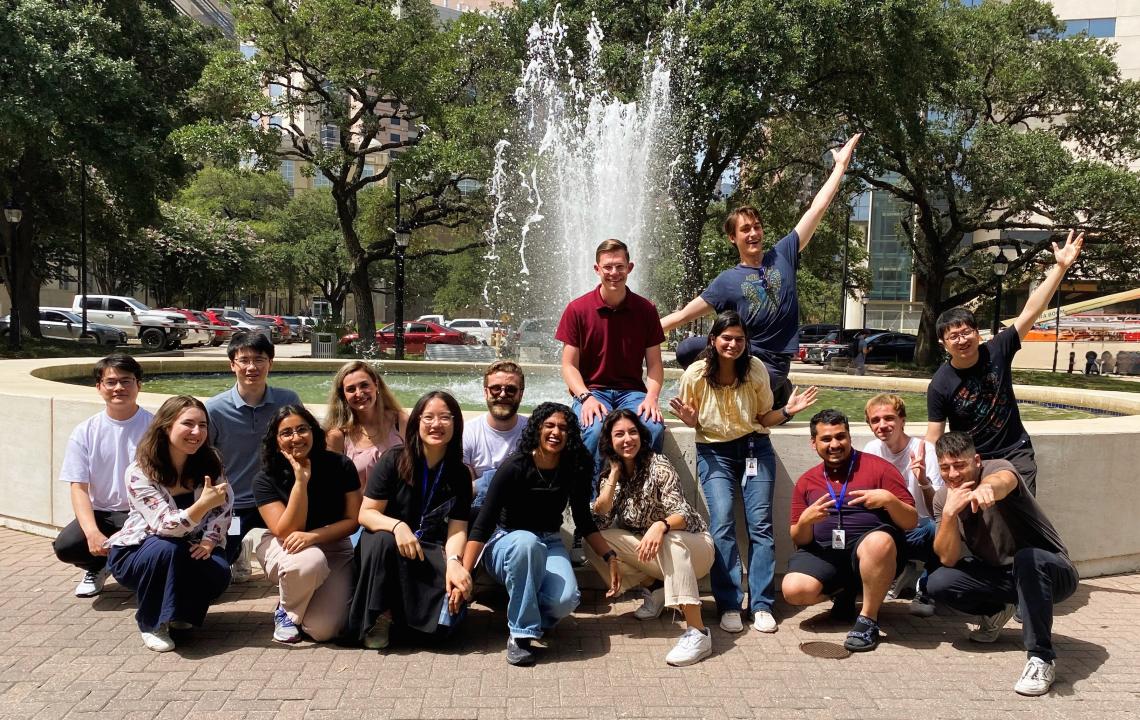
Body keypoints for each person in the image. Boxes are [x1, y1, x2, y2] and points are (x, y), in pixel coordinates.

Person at [661, 133, 863, 408]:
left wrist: (839, 167)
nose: (754, 232)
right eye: (745, 229)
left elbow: (818, 208)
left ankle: (777, 391)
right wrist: (634, 331)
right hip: (741, 354)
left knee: (747, 387)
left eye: (757, 226)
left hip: (772, 361)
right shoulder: (727, 281)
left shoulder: (783, 254)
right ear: (733, 238)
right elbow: (683, 315)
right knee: (687, 349)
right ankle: (751, 392)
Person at [669, 311, 817, 634]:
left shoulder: (755, 371)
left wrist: (788, 411)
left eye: (739, 339)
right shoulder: (695, 374)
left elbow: (764, 418)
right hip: (714, 452)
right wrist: (691, 420)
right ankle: (730, 603)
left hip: (755, 449)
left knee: (760, 524)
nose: (733, 344)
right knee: (722, 522)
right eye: (726, 338)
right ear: (713, 340)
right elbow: (694, 422)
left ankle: (762, 603)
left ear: (746, 342)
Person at [462, 402, 622, 666]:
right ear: (537, 428)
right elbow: (483, 525)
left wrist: (610, 556)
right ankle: (520, 635)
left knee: (567, 600)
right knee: (527, 542)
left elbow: (583, 519)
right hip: (506, 540)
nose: (556, 432)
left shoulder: (573, 468)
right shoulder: (514, 467)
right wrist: (465, 575)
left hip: (550, 540)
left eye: (563, 427)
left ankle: (525, 611)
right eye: (549, 425)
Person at [926, 230, 1085, 495]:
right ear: (943, 343)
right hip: (972, 462)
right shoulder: (940, 385)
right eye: (954, 336)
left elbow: (1031, 311)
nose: (962, 339)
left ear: (978, 333)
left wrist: (1059, 268)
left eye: (967, 332)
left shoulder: (997, 349)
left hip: (1015, 452)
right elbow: (934, 436)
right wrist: (928, 475)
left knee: (1021, 521)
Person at [928, 432, 1077, 696]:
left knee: (1027, 559)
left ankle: (1041, 658)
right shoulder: (943, 498)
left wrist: (987, 489)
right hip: (1005, 577)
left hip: (1053, 571)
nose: (952, 474)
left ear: (976, 460)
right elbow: (947, 557)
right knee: (940, 582)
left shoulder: (997, 468)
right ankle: (997, 611)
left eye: (960, 465)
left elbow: (1003, 481)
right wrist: (950, 514)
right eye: (945, 468)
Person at [346, 391, 474, 650]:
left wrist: (454, 563)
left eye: (445, 418)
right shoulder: (393, 460)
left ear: (456, 424)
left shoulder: (459, 473)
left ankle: (402, 620)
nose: (436, 424)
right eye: (428, 417)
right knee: (381, 539)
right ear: (416, 422)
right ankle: (379, 616)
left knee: (443, 630)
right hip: (385, 545)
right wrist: (397, 525)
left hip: (424, 547)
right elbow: (366, 514)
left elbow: (457, 528)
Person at [781, 409, 917, 652]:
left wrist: (889, 500)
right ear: (814, 443)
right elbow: (799, 538)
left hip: (872, 551)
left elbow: (911, 521)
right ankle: (845, 592)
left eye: (840, 437)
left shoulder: (879, 469)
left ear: (850, 438)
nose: (835, 444)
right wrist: (805, 521)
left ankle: (868, 620)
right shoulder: (807, 480)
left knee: (878, 543)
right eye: (826, 439)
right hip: (825, 552)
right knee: (794, 590)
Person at [105, 396, 233, 653]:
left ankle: (181, 612)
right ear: (166, 426)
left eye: (203, 425)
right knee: (168, 549)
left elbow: (225, 505)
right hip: (140, 550)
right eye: (188, 424)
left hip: (193, 545)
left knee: (219, 571)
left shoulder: (210, 460)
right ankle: (151, 623)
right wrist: (200, 506)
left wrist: (210, 539)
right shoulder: (139, 471)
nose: (197, 432)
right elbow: (165, 526)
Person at [589, 410, 716, 666]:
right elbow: (600, 518)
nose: (627, 439)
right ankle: (655, 589)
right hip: (655, 554)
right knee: (595, 542)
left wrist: (661, 525)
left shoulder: (658, 465)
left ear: (642, 435)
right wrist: (613, 476)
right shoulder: (611, 476)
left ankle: (698, 632)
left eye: (633, 432)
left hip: (694, 548)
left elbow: (683, 514)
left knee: (672, 540)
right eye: (619, 434)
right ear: (609, 441)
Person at [254, 405, 361, 644]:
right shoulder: (265, 478)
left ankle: (297, 599)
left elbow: (353, 521)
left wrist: (314, 536)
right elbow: (287, 531)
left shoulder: (340, 465)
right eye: (286, 433)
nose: (296, 438)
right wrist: (300, 483)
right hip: (285, 546)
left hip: (333, 545)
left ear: (314, 431)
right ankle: (285, 611)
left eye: (302, 429)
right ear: (276, 440)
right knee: (309, 560)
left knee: (323, 630)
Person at [556, 238, 666, 467]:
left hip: (632, 392)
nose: (614, 272)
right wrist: (585, 398)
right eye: (607, 267)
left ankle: (640, 494)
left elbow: (655, 364)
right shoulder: (577, 309)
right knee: (594, 429)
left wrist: (652, 398)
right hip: (592, 391)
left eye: (620, 266)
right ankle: (590, 498)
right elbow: (568, 366)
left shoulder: (646, 310)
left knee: (653, 426)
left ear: (630, 268)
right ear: (597, 269)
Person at [53, 354, 154, 598]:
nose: (119, 387)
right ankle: (96, 566)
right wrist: (92, 533)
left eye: (126, 381)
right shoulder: (85, 431)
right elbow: (79, 487)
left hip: (142, 513)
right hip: (102, 514)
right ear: (99, 387)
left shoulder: (155, 428)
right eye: (111, 382)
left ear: (138, 385)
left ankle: (131, 569)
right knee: (66, 546)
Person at [205, 331, 302, 579]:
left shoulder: (287, 401)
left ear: (270, 363)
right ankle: (238, 549)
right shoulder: (214, 409)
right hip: (233, 504)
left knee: (297, 555)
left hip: (277, 498)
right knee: (215, 573)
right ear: (232, 364)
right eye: (244, 360)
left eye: (259, 359)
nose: (252, 367)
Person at [862, 393, 944, 616]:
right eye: (875, 420)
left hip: (918, 528)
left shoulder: (924, 450)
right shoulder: (871, 450)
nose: (882, 425)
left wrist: (923, 481)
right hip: (884, 530)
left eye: (889, 418)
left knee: (940, 527)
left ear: (902, 420)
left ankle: (925, 589)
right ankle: (898, 571)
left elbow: (937, 510)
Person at [324, 360, 407, 486]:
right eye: (351, 389)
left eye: (364, 385)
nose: (359, 393)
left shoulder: (400, 421)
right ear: (343, 395)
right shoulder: (337, 436)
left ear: (376, 385)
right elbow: (333, 485)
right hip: (361, 505)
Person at [463, 360, 527, 511]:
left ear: (521, 394)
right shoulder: (467, 432)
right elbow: (464, 492)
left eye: (511, 389)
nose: (503, 394)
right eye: (495, 389)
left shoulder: (534, 431)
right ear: (486, 392)